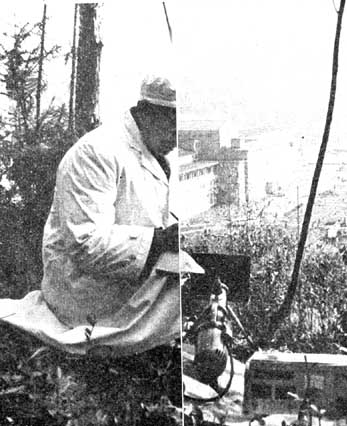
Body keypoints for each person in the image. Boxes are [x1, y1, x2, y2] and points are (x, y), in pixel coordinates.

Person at [0, 76, 201, 357]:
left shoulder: (152, 152)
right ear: (147, 112)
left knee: (208, 283)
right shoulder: (96, 152)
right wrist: (160, 241)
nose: (176, 140)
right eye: (173, 126)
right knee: (190, 296)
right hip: (83, 295)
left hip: (122, 280)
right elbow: (86, 244)